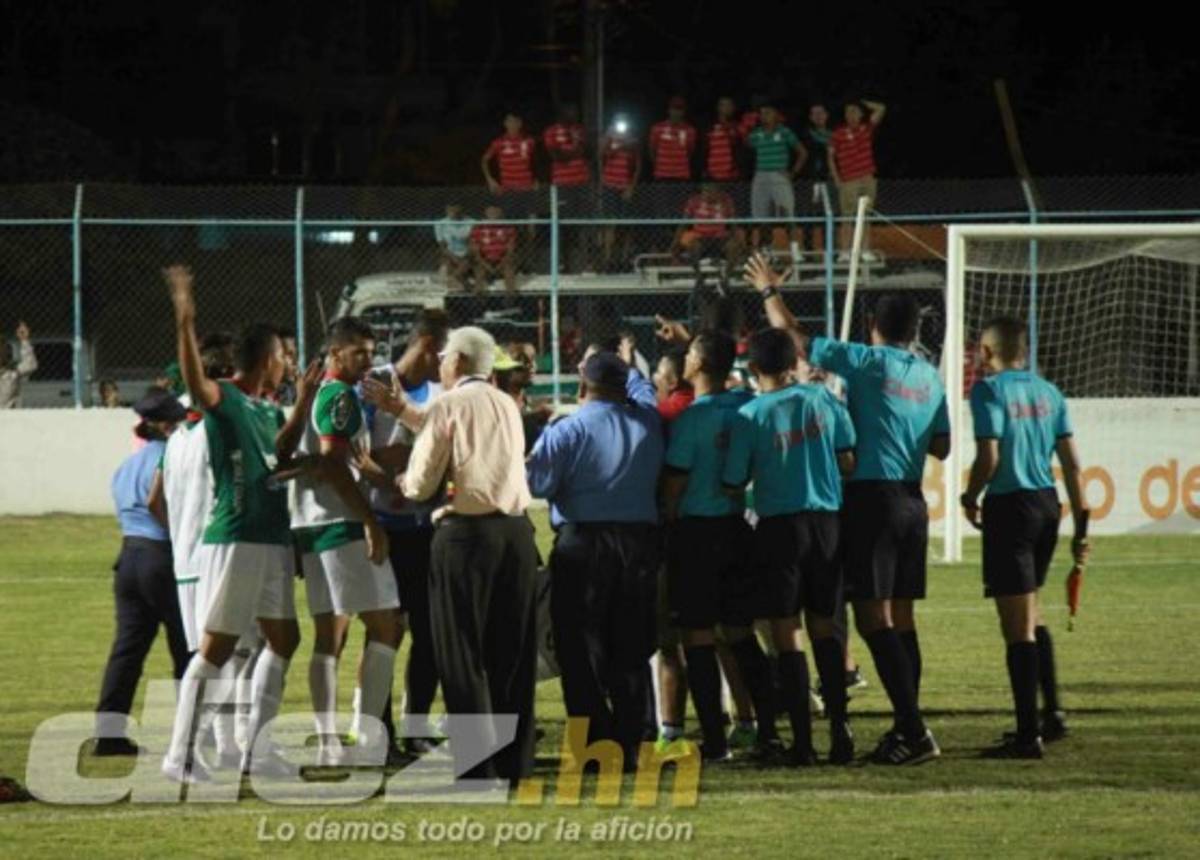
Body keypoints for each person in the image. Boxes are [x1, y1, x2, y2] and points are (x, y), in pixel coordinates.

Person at [746, 252, 949, 765]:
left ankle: (914, 729)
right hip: (913, 500)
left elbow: (795, 340)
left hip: (872, 501)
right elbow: (942, 446)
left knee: (872, 618)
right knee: (901, 619)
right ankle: (908, 723)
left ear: (872, 327)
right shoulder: (930, 377)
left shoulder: (866, 360)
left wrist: (770, 292)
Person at [160, 265, 301, 783]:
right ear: (267, 359)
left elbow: (278, 454)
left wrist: (304, 401)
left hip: (270, 542)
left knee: (285, 639)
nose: (289, 364)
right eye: (284, 357)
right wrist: (185, 315)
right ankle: (179, 754)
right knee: (216, 650)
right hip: (237, 538)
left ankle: (256, 752)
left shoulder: (266, 411)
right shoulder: (226, 398)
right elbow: (197, 382)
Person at [400, 326, 539, 782]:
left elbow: (421, 483)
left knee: (462, 653)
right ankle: (513, 763)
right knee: (511, 654)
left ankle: (478, 767)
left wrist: (400, 482)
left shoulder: (448, 403)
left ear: (456, 361)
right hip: (517, 534)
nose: (440, 364)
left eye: (445, 358)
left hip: (464, 537)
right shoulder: (507, 404)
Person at [723, 329, 858, 765]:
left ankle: (802, 742)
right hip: (826, 525)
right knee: (826, 628)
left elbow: (734, 481)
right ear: (791, 362)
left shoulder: (751, 415)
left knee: (787, 634)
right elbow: (847, 459)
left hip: (779, 529)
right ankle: (841, 730)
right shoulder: (823, 400)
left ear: (754, 368)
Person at [526, 351, 663, 770]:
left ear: (582, 386)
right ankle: (635, 740)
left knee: (580, 648)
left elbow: (538, 481)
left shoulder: (567, 428)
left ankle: (593, 746)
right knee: (632, 646)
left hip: (583, 543)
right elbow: (644, 391)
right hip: (639, 543)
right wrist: (632, 368)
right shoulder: (648, 421)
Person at [961, 317, 1090, 759]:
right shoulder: (1049, 392)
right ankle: (1051, 714)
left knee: (1015, 627)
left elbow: (989, 455)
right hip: (1046, 506)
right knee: (1032, 612)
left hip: (1011, 508)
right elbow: (1073, 465)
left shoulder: (989, 390)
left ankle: (1026, 735)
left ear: (988, 351)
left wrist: (969, 495)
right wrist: (1082, 527)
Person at [660, 330, 782, 762]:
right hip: (739, 530)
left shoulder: (694, 418)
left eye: (690, 352)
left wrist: (666, 526)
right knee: (741, 634)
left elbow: (675, 482)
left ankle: (714, 739)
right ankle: (766, 729)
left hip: (698, 534)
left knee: (697, 637)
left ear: (697, 363)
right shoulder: (749, 405)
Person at [291, 317, 400, 767]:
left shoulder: (317, 396)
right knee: (386, 626)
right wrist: (371, 521)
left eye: (372, 352)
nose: (368, 361)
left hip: (314, 527)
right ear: (335, 354)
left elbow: (328, 462)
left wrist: (374, 473)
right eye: (359, 352)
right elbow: (335, 466)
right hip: (343, 525)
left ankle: (330, 744)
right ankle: (370, 741)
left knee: (329, 635)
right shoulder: (339, 397)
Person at [147, 332, 244, 767]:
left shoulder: (177, 433)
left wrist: (179, 536)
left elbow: (156, 499)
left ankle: (222, 745)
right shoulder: (216, 425)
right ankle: (193, 747)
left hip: (186, 558)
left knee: (218, 654)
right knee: (230, 653)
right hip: (214, 553)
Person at [358, 309, 450, 757]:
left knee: (431, 634)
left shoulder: (439, 391)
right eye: (444, 353)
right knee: (384, 631)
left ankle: (415, 729)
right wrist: (392, 467)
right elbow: (354, 454)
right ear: (429, 344)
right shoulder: (373, 383)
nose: (446, 363)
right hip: (383, 529)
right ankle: (377, 733)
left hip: (424, 529)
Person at [93, 389, 190, 756]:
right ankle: (190, 736)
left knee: (127, 651)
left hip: (129, 557)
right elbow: (164, 505)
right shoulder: (171, 456)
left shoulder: (127, 464)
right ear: (167, 425)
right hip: (162, 557)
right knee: (187, 649)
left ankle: (109, 733)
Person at [829, 98, 886, 260]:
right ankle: (845, 251)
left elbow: (881, 108)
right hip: (849, 179)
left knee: (866, 215)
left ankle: (865, 250)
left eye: (854, 111)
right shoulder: (838, 133)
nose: (850, 115)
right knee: (847, 216)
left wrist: (863, 102)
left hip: (867, 177)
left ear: (861, 114)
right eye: (847, 112)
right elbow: (830, 157)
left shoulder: (866, 129)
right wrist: (837, 179)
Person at [745, 104, 805, 251]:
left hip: (779, 175)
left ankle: (795, 250)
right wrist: (747, 127)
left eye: (768, 112)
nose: (764, 115)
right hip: (761, 175)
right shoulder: (756, 134)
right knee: (762, 216)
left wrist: (793, 173)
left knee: (787, 214)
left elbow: (802, 152)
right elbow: (746, 144)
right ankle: (767, 249)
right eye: (762, 113)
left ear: (776, 115)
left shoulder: (785, 132)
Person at [648, 96, 698, 239]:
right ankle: (661, 245)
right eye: (674, 109)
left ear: (683, 112)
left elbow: (690, 151)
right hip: (662, 176)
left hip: (681, 177)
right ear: (669, 110)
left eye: (680, 109)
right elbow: (652, 150)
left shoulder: (690, 130)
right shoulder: (657, 128)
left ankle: (677, 247)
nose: (677, 112)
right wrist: (661, 166)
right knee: (661, 214)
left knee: (681, 214)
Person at [599, 118, 642, 272]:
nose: (620, 129)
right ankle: (608, 260)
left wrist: (631, 187)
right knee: (609, 224)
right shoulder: (609, 138)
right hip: (609, 185)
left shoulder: (633, 140)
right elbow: (602, 153)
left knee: (626, 224)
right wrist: (610, 137)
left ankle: (625, 260)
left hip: (625, 187)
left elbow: (638, 165)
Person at [674, 183, 746, 272]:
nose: (707, 194)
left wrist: (740, 242)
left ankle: (726, 277)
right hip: (701, 237)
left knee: (733, 246)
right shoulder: (694, 200)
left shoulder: (725, 200)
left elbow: (733, 223)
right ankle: (698, 277)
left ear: (717, 192)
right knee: (693, 245)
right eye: (705, 191)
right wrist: (675, 243)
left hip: (720, 238)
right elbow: (683, 223)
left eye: (711, 191)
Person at [798, 103, 834, 256]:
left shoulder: (834, 135)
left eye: (821, 112)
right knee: (808, 216)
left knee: (829, 215)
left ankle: (830, 250)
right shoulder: (805, 135)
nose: (818, 116)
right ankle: (808, 251)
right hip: (809, 181)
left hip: (828, 180)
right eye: (815, 113)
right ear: (810, 117)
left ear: (826, 115)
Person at [469, 205, 518, 297]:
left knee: (509, 268)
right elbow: (476, 253)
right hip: (484, 260)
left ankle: (510, 296)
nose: (493, 215)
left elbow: (510, 251)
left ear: (501, 214)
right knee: (479, 269)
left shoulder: (508, 228)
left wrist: (500, 265)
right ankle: (479, 297)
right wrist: (486, 265)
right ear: (485, 214)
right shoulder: (478, 228)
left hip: (503, 260)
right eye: (491, 212)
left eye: (496, 212)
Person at [434, 203, 475, 291]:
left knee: (466, 262)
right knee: (448, 264)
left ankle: (453, 279)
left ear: (460, 208)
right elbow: (442, 246)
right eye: (449, 209)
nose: (452, 211)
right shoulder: (440, 223)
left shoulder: (472, 222)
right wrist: (454, 257)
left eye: (455, 208)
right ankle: (465, 287)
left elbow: (473, 244)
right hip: (450, 254)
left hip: (467, 254)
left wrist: (465, 255)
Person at [652, 345, 694, 423]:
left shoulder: (664, 412)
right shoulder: (699, 398)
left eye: (658, 372)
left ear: (672, 383)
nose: (654, 376)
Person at [705, 96, 742, 183]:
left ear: (734, 108)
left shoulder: (738, 126)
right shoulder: (709, 127)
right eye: (723, 105)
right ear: (718, 108)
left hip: (732, 176)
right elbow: (704, 149)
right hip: (712, 176)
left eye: (729, 105)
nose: (727, 108)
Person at [0, 321, 37, 409]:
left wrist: (24, 340)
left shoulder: (13, 371)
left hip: (10, 417)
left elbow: (30, 364)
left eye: (2, 348)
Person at [275, 329, 300, 407]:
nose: (295, 360)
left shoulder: (293, 385)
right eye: (289, 354)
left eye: (296, 354)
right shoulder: (272, 392)